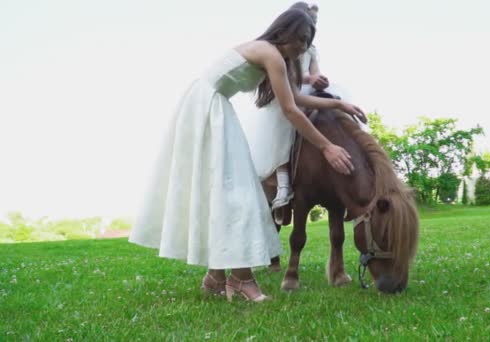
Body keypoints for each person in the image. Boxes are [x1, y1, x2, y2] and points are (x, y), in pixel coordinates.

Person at [128, 9, 366, 303]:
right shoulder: (270, 54)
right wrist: (326, 147)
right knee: (237, 191)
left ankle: (216, 276)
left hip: (210, 104)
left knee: (226, 189)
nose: (303, 47)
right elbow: (291, 110)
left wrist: (339, 106)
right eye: (301, 39)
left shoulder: (274, 56)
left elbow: (295, 98)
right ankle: (241, 280)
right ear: (284, 32)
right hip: (208, 107)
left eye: (309, 42)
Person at [238, 3, 357, 211]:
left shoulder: (309, 49)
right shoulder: (280, 52)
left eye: (315, 25)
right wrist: (309, 79)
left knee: (330, 113)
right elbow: (288, 84)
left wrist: (319, 79)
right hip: (288, 90)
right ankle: (282, 180)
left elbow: (315, 71)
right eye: (309, 22)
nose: (311, 31)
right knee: (284, 118)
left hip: (303, 91)